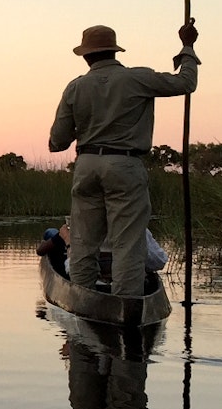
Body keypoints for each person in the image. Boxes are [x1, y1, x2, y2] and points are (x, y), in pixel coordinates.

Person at [48, 22, 199, 298]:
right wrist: (187, 48)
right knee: (128, 243)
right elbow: (186, 82)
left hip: (87, 165)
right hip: (125, 164)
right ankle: (126, 304)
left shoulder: (75, 88)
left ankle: (82, 301)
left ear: (85, 55)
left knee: (83, 243)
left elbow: (57, 142)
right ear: (114, 52)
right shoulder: (138, 78)